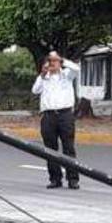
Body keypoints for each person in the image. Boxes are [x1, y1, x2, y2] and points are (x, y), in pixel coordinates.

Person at [31, 51, 80, 189]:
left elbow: (77, 69)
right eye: (50, 60)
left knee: (68, 148)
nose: (52, 63)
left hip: (65, 115)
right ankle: (55, 179)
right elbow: (35, 90)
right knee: (50, 149)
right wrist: (42, 74)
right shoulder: (44, 78)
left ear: (59, 62)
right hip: (48, 116)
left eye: (54, 60)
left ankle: (73, 179)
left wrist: (61, 60)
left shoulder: (67, 75)